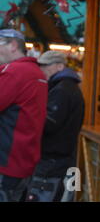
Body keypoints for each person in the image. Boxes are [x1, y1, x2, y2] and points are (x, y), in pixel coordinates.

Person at [25, 51, 84, 202]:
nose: (41, 69)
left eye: (45, 66)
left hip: (52, 159)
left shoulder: (62, 90)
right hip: (57, 158)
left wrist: (28, 114)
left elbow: (48, 123)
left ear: (59, 66)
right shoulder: (65, 87)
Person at [0, 29, 48, 202]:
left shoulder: (15, 72)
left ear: (13, 45)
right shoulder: (36, 73)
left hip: (7, 162)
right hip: (24, 160)